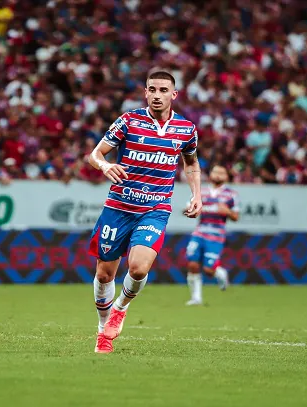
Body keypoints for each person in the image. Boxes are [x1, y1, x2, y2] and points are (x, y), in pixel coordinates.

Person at [88, 68, 203, 354]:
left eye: (163, 90)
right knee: (104, 275)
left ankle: (120, 309)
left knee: (139, 268)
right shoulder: (129, 120)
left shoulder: (186, 129)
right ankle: (103, 330)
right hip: (118, 207)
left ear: (174, 95)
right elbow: (95, 154)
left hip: (154, 208)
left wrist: (197, 194)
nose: (157, 95)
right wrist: (105, 166)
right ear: (145, 92)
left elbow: (190, 163)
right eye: (152, 89)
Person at [185, 165, 239, 305]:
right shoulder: (201, 192)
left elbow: (235, 217)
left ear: (226, 177)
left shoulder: (231, 195)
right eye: (215, 171)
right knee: (192, 264)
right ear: (210, 174)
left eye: (221, 172)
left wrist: (227, 211)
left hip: (216, 235)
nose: (218, 175)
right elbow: (188, 208)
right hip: (200, 232)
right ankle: (196, 298)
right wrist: (190, 209)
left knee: (208, 269)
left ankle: (220, 273)